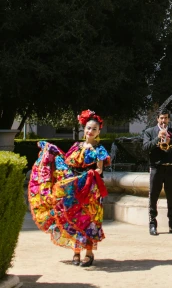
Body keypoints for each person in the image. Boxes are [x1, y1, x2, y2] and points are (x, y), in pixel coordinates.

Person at [28, 109, 111, 267]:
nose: (90, 131)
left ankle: (89, 253)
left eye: (94, 129)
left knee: (90, 218)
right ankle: (76, 251)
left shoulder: (100, 150)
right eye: (88, 128)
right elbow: (66, 164)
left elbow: (100, 169)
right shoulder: (76, 147)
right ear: (84, 129)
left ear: (99, 130)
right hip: (74, 187)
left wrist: (90, 174)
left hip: (90, 188)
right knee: (74, 217)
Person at [142, 111, 172, 236]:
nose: (163, 121)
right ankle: (153, 224)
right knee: (153, 196)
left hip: (171, 168)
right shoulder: (149, 132)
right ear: (157, 119)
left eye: (165, 118)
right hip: (156, 168)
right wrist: (157, 139)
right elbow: (145, 148)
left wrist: (171, 141)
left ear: (169, 119)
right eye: (161, 118)